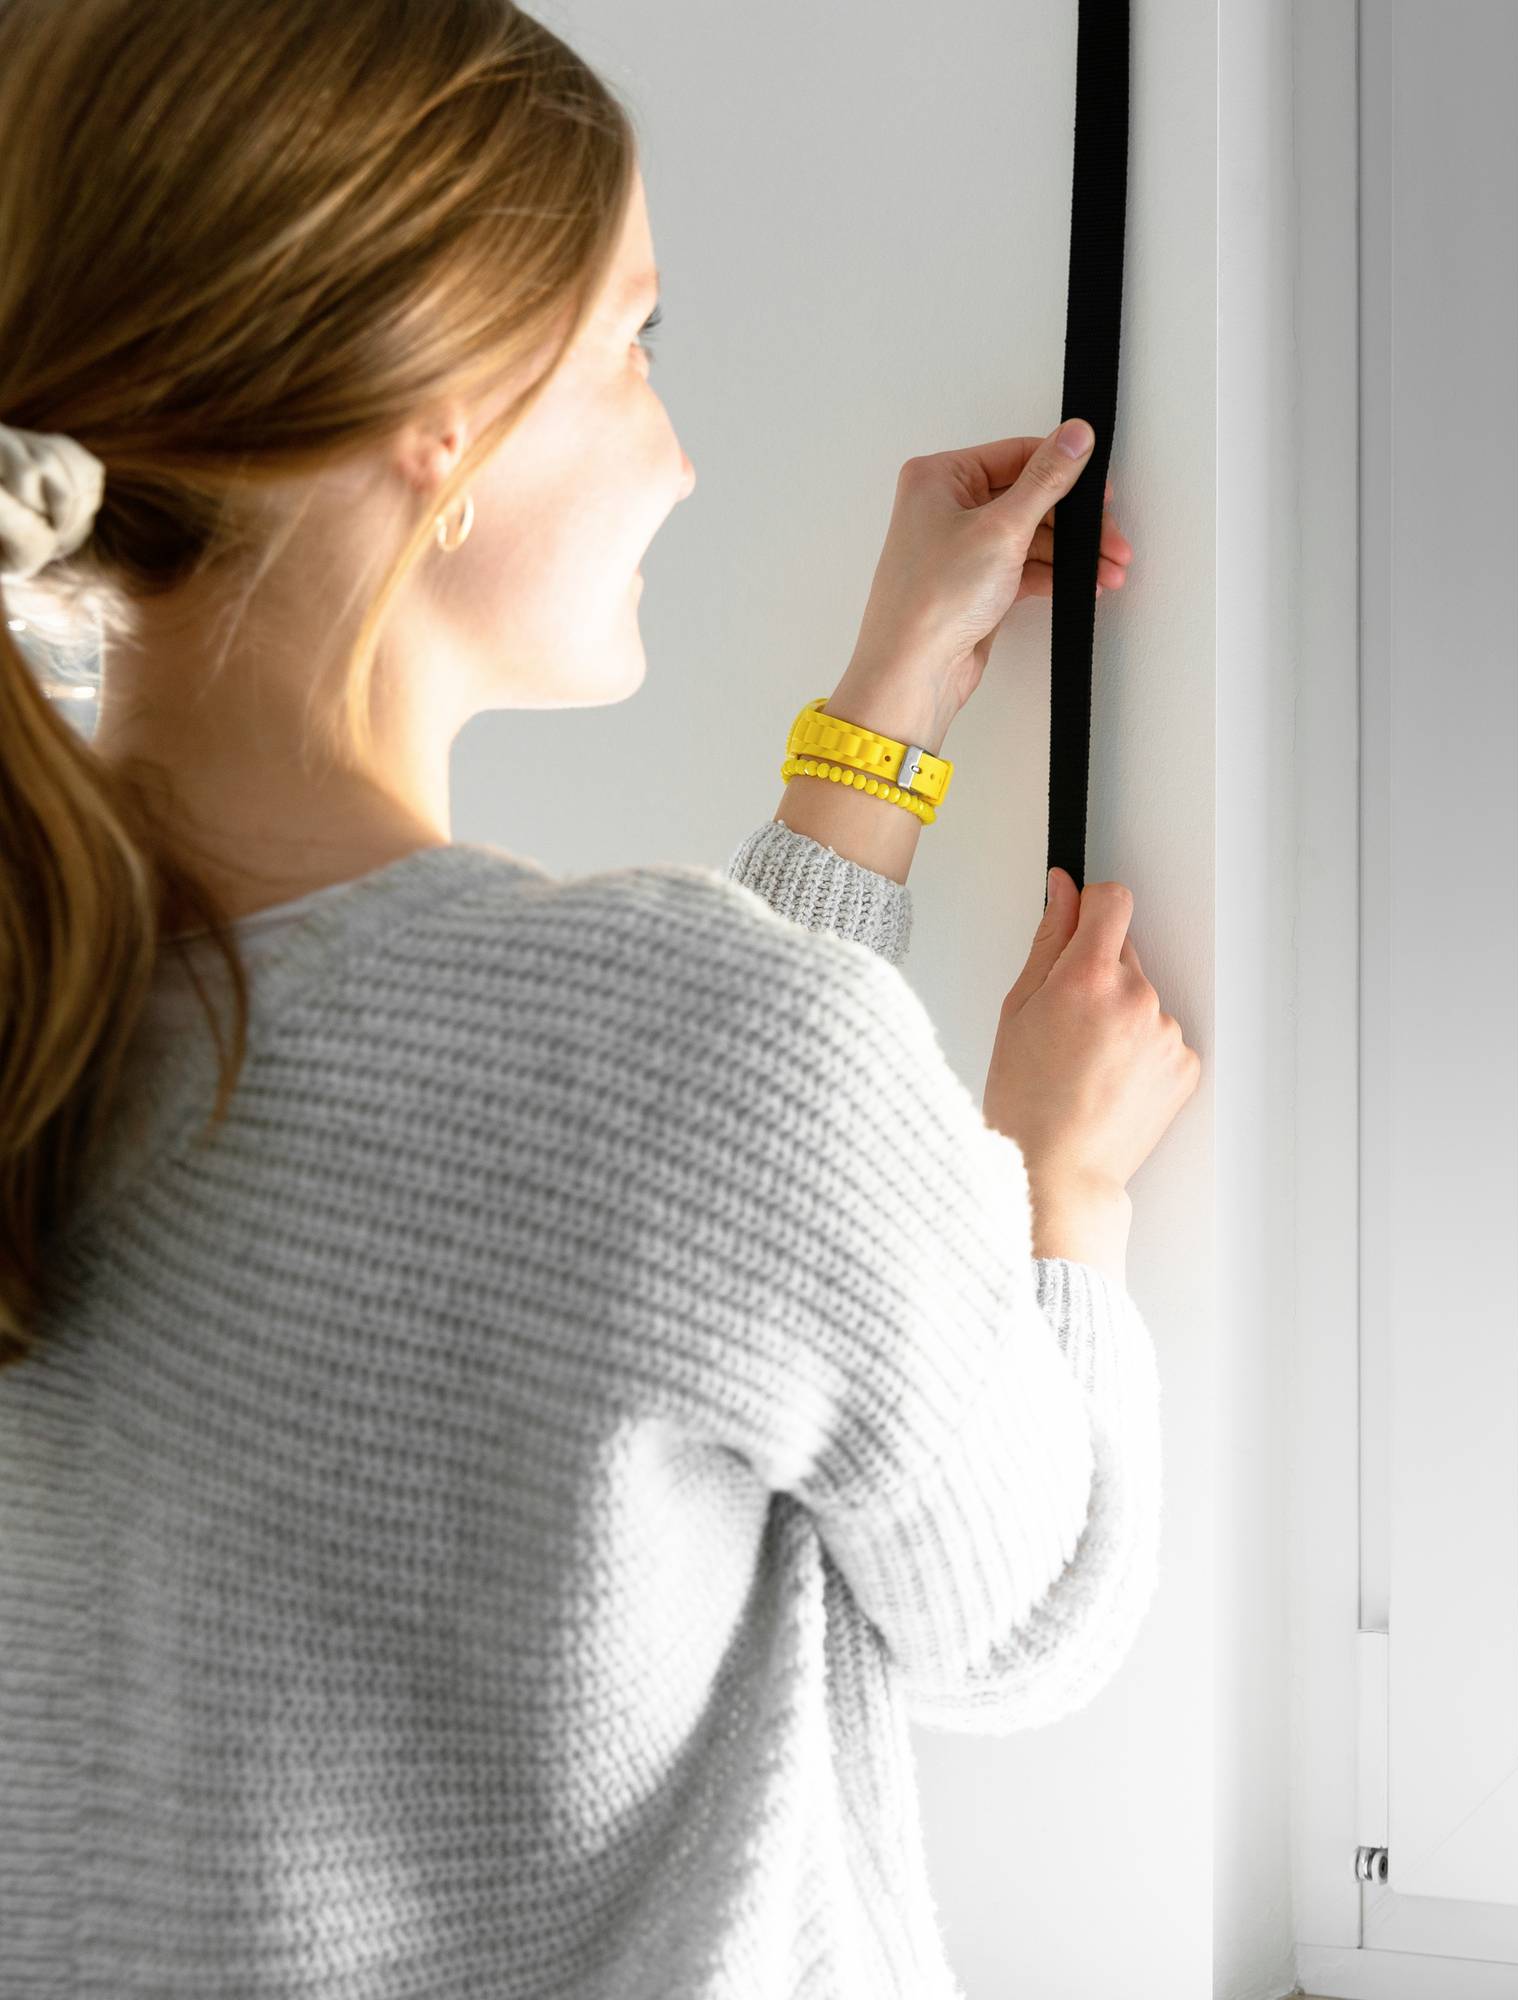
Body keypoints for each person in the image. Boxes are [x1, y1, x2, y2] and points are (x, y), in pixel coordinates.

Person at [0, 0, 1199, 1993]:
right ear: (444, 417)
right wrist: (1061, 1193)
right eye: (637, 343)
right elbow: (1030, 1610)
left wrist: (884, 723)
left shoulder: (49, 1009)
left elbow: (605, 1160)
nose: (680, 451)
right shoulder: (704, 1064)